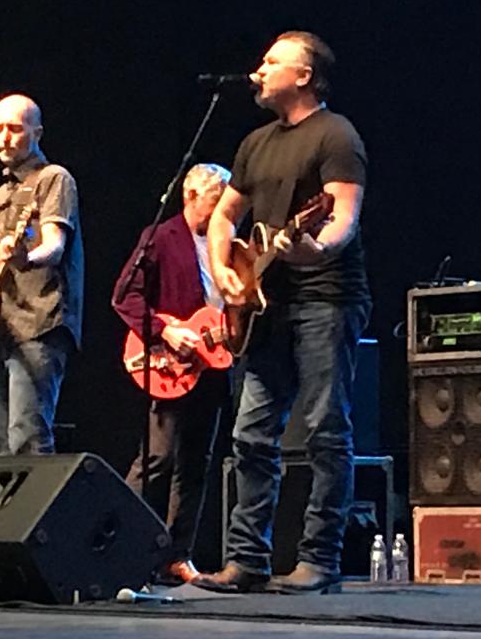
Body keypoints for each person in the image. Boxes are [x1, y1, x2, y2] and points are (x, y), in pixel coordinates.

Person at [195, 31, 370, 594]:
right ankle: (246, 559)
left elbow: (342, 216)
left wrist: (316, 247)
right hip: (267, 306)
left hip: (326, 299)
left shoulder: (337, 135)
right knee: (251, 434)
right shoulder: (254, 143)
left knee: (324, 430)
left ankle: (320, 560)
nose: (259, 69)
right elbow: (224, 217)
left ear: (303, 75)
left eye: (271, 61)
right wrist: (223, 271)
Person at [112, 163, 232, 585]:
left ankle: (175, 555)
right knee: (156, 459)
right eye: (215, 205)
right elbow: (124, 297)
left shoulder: (229, 242)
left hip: (213, 367)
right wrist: (166, 332)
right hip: (170, 363)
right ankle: (116, 543)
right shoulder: (161, 238)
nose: (221, 215)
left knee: (195, 465)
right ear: (190, 196)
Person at [0, 93, 84, 455]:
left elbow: (54, 246)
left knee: (28, 437)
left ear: (36, 133)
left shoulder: (54, 179)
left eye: (14, 128)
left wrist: (28, 257)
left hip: (40, 323)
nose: (3, 137)